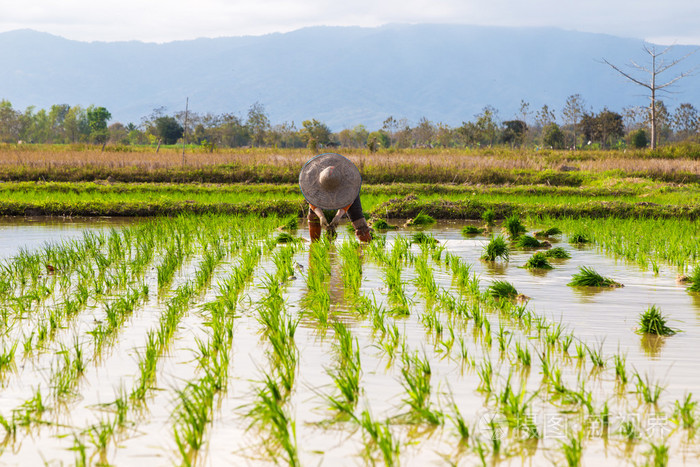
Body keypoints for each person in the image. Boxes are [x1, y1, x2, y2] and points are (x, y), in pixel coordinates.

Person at [299, 153, 372, 242]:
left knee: (357, 217)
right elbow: (312, 202)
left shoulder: (349, 186)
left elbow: (349, 202)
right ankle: (314, 245)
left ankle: (367, 244)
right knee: (313, 216)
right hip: (321, 183)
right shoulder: (312, 182)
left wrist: (338, 217)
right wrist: (321, 217)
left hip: (345, 183)